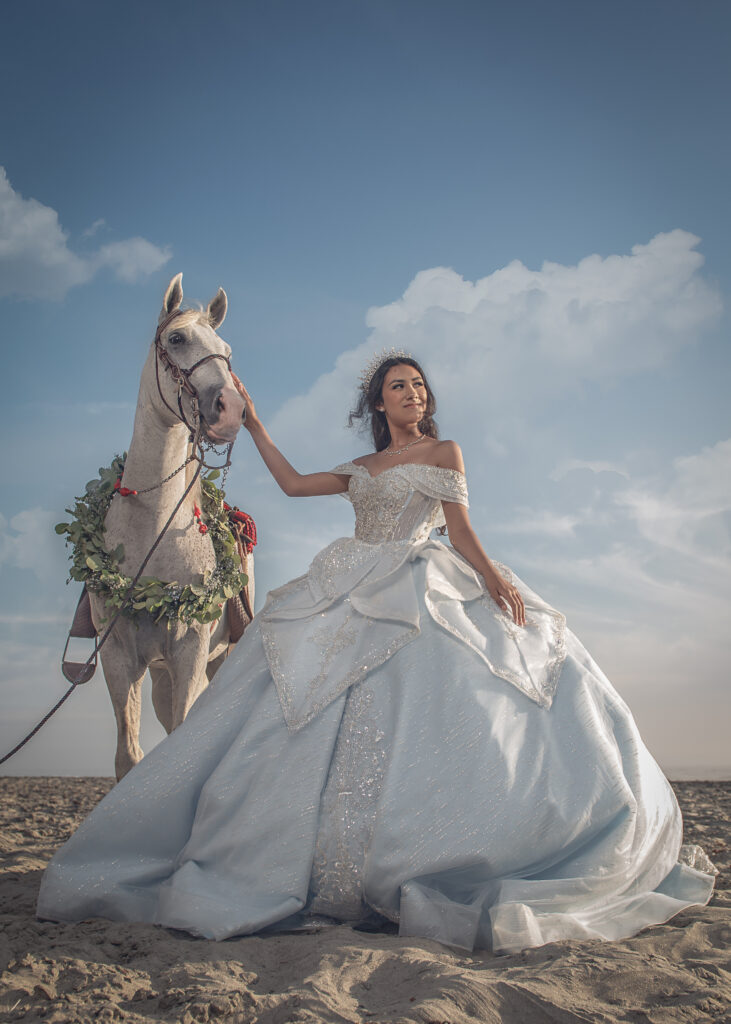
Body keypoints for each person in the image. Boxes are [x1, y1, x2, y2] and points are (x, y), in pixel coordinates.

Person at [37, 351, 715, 954]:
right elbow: (295, 485)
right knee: (291, 698)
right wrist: (254, 425)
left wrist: (495, 580)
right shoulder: (361, 467)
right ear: (378, 403)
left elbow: (461, 530)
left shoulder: (442, 452)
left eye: (418, 385)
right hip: (347, 580)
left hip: (418, 582)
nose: (412, 393)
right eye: (398, 386)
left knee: (452, 697)